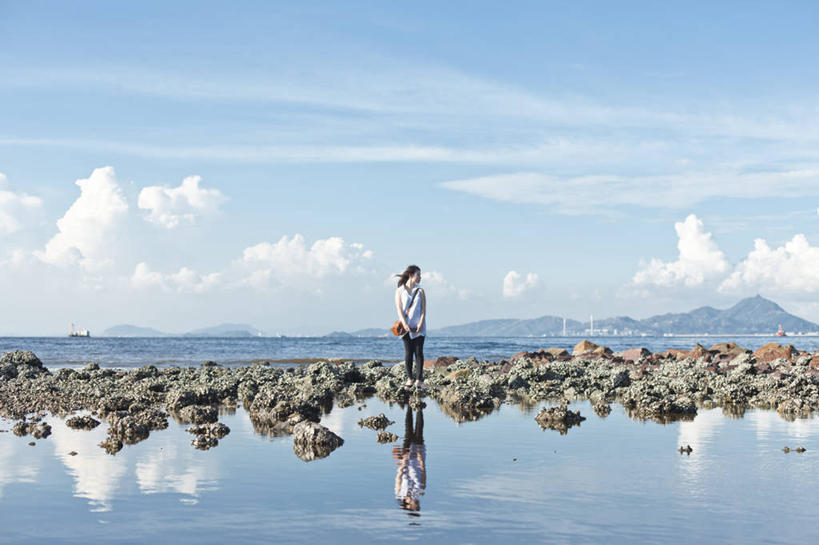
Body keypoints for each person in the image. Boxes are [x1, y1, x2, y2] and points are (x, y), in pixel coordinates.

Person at [394, 265, 427, 388]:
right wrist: (405, 323)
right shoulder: (399, 291)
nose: (420, 277)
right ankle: (409, 379)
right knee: (408, 352)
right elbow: (399, 309)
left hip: (419, 327)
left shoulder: (420, 291)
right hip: (405, 326)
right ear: (411, 275)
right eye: (418, 274)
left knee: (419, 352)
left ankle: (419, 380)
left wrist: (421, 323)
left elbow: (423, 310)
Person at [393, 405, 426, 514]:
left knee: (408, 430)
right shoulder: (420, 493)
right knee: (419, 430)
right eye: (419, 505)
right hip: (418, 460)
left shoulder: (399, 493)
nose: (418, 503)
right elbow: (424, 475)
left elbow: (398, 478)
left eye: (416, 506)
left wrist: (403, 462)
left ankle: (409, 406)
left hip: (406, 461)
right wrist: (421, 460)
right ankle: (419, 407)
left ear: (410, 506)